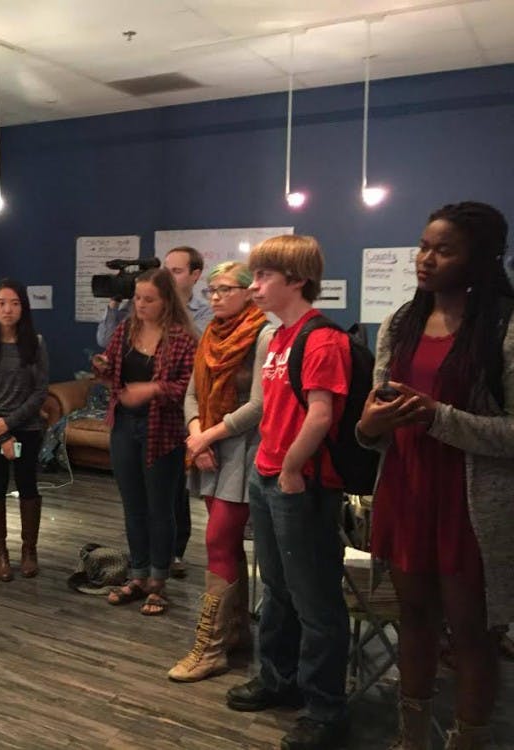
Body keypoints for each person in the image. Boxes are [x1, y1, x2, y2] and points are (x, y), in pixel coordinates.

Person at [357, 202, 514, 749]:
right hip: (406, 490)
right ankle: (412, 738)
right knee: (414, 619)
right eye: (423, 246)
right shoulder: (402, 323)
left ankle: (467, 740)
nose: (425, 259)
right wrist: (368, 426)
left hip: (471, 505)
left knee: (473, 634)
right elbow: (375, 416)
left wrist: (437, 417)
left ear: (480, 258)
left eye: (443, 250)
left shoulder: (505, 329)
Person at [224, 235, 351, 750]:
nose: (253, 287)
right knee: (276, 589)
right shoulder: (278, 337)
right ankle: (279, 679)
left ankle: (325, 708)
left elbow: (321, 414)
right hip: (269, 475)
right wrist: (268, 465)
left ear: (296, 280)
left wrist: (292, 468)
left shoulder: (322, 340)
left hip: (301, 484)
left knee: (315, 599)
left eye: (263, 277)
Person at [167, 261, 271, 682]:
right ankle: (235, 631)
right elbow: (192, 394)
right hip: (209, 449)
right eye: (211, 290)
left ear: (248, 292)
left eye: (225, 289)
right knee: (225, 545)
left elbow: (260, 405)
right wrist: (197, 436)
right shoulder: (210, 333)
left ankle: (210, 648)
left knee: (218, 542)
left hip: (243, 449)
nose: (215, 297)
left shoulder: (263, 334)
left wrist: (207, 436)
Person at [99, 246, 211, 580]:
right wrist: (103, 368)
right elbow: (112, 369)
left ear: (166, 301)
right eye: (137, 298)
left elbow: (189, 388)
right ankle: (138, 573)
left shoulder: (182, 338)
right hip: (124, 425)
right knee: (133, 506)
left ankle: (158, 579)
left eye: (149, 299)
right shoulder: (126, 330)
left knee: (160, 508)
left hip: (162, 429)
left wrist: (152, 389)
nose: (141, 305)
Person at [0, 279, 49, 581]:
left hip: (27, 427)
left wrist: (11, 423)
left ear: (23, 308)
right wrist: (1, 431)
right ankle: (0, 553)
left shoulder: (36, 344)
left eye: (14, 303)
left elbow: (40, 391)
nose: (8, 309)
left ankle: (29, 550)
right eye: (1, 303)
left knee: (28, 485)